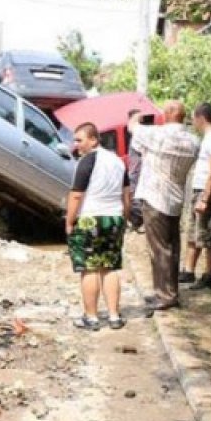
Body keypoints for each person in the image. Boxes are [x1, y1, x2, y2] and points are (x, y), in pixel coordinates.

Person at [129, 101, 200, 311]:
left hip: (155, 197)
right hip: (176, 199)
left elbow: (132, 127)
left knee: (158, 248)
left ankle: (165, 295)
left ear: (169, 114)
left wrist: (137, 116)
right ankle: (170, 291)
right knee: (172, 247)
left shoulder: (157, 135)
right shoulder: (193, 141)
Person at [66, 122, 132, 330]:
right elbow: (126, 194)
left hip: (89, 219)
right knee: (110, 267)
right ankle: (114, 316)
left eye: (79, 140)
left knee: (90, 268)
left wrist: (69, 221)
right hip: (114, 218)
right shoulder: (118, 162)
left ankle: (92, 317)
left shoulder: (87, 162)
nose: (76, 145)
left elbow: (77, 194)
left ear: (93, 139)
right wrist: (124, 218)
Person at [178, 103, 211, 290]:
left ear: (201, 117)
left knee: (210, 236)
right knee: (193, 232)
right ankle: (188, 271)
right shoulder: (209, 138)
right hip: (200, 190)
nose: (193, 122)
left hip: (210, 193)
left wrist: (206, 197)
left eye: (193, 118)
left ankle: (208, 276)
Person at [125, 108, 144, 230]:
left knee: (135, 196)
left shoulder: (138, 136)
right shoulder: (136, 135)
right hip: (135, 171)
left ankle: (137, 221)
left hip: (138, 172)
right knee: (133, 196)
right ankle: (136, 221)